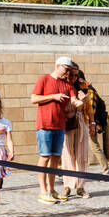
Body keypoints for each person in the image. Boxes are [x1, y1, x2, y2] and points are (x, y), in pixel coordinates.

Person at [31, 57, 77, 204]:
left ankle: (51, 190)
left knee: (56, 159)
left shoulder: (67, 84)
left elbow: (74, 100)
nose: (68, 72)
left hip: (60, 126)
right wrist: (53, 96)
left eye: (70, 70)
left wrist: (81, 102)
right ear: (58, 66)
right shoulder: (43, 79)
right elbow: (34, 99)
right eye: (66, 69)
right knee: (45, 157)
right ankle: (43, 191)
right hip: (44, 125)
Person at [61, 68, 109, 199]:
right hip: (67, 124)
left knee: (82, 156)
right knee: (67, 155)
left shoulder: (84, 91)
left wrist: (92, 124)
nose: (73, 78)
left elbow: (89, 109)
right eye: (71, 75)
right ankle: (67, 187)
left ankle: (80, 187)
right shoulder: (64, 88)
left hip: (81, 123)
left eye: (75, 76)